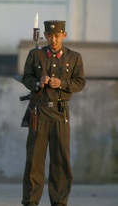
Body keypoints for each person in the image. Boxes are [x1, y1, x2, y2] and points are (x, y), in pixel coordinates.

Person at [21, 20, 86, 206]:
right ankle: (31, 202)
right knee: (34, 161)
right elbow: (26, 77)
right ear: (45, 36)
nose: (53, 39)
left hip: (60, 113)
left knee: (60, 161)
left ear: (64, 35)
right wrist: (37, 82)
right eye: (49, 35)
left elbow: (80, 82)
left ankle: (59, 202)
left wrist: (63, 84)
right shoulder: (36, 54)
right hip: (39, 112)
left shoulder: (74, 57)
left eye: (57, 36)